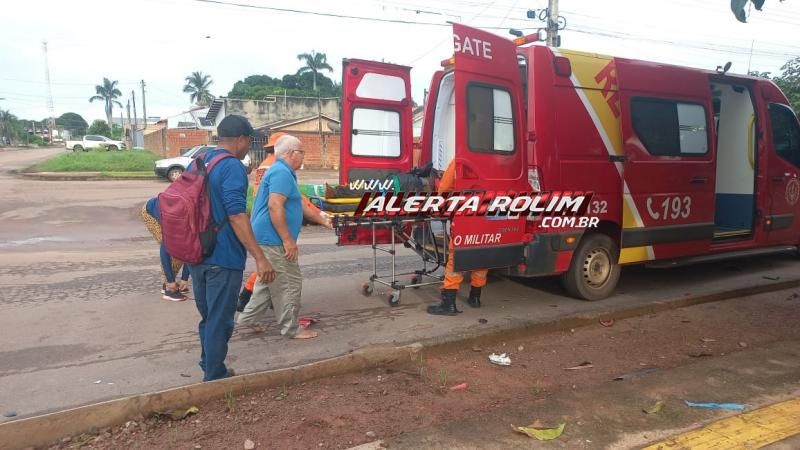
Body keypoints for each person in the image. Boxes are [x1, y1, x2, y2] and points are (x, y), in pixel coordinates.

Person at [190, 114, 276, 381]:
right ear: (240, 139)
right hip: (223, 257)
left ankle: (209, 364)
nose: (248, 148)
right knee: (220, 320)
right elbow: (237, 215)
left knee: (209, 317)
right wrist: (260, 258)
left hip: (197, 255)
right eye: (249, 142)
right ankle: (214, 377)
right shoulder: (232, 167)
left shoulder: (199, 161)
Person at [237, 135, 332, 339]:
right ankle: (291, 328)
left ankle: (247, 319)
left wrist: (324, 220)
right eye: (302, 152)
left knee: (267, 281)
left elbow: (297, 204)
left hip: (267, 237)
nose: (304, 156)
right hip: (273, 239)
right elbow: (274, 205)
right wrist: (288, 240)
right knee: (290, 282)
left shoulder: (284, 172)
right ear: (291, 154)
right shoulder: (281, 172)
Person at [427, 159, 488, 316]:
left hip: (466, 215)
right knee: (483, 253)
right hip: (489, 215)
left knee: (455, 258)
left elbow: (444, 188)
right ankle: (475, 297)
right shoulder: (496, 160)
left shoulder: (460, 161)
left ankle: (449, 303)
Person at [141, 197, 191, 301]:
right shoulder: (172, 218)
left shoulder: (195, 214)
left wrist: (185, 278)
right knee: (174, 249)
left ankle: (173, 282)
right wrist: (171, 281)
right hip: (150, 211)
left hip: (172, 209)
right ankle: (168, 287)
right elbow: (165, 249)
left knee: (183, 246)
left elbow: (192, 248)